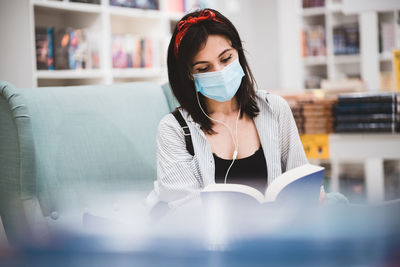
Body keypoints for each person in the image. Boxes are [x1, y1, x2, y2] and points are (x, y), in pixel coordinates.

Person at [146, 8, 326, 211]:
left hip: (276, 234)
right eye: (203, 69)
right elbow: (185, 210)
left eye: (225, 59)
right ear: (189, 74)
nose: (220, 72)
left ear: (238, 53)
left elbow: (300, 177)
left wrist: (312, 196)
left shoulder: (274, 109)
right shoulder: (174, 129)